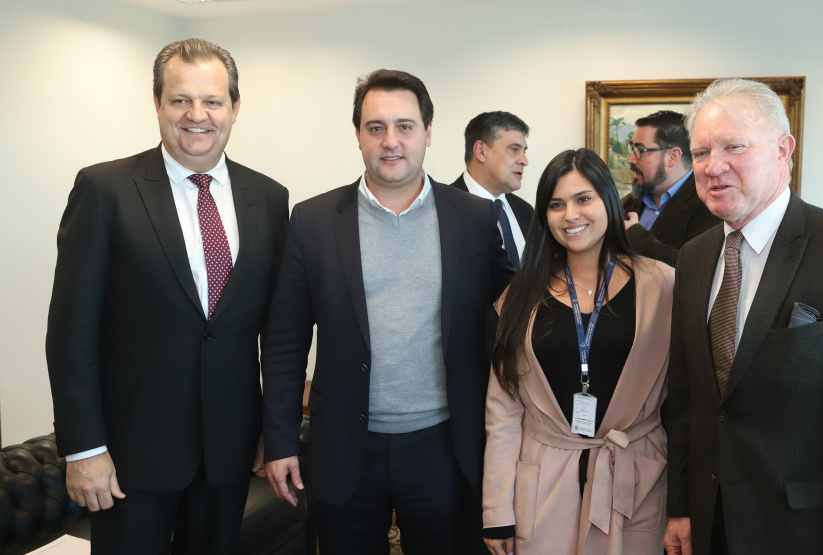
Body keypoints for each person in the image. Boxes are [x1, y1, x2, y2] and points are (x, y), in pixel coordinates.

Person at [45, 38, 289, 554]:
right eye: (180, 100)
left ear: (235, 108)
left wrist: (275, 427)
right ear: (157, 103)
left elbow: (274, 331)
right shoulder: (105, 190)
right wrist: (84, 448)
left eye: (213, 101)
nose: (196, 115)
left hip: (228, 454)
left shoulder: (269, 198)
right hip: (130, 459)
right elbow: (71, 335)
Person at [260, 69, 514, 554]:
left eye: (405, 126)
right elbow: (285, 341)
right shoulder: (312, 222)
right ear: (357, 135)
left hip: (445, 444)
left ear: (428, 132)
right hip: (345, 445)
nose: (391, 141)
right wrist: (281, 440)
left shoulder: (475, 219)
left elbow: (519, 307)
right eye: (376, 127)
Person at [663, 78, 823, 555]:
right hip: (711, 527)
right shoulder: (694, 258)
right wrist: (681, 507)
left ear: (784, 149)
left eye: (734, 146)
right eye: (700, 153)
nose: (713, 167)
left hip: (810, 536)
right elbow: (689, 402)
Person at [483, 148, 673, 555]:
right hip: (545, 482)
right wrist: (497, 510)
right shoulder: (519, 297)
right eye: (556, 204)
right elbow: (503, 410)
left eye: (583, 199)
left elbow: (686, 401)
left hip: (635, 479)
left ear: (607, 200)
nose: (570, 215)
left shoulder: (664, 286)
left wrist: (685, 508)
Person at [621, 110, 719, 267]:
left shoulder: (709, 203)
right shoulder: (627, 203)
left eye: (641, 150)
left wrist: (636, 236)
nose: (630, 159)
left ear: (673, 156)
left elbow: (694, 269)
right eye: (631, 148)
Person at [450, 111, 533, 268]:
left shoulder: (526, 211)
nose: (524, 160)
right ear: (481, 151)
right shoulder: (442, 208)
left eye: (524, 151)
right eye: (514, 149)